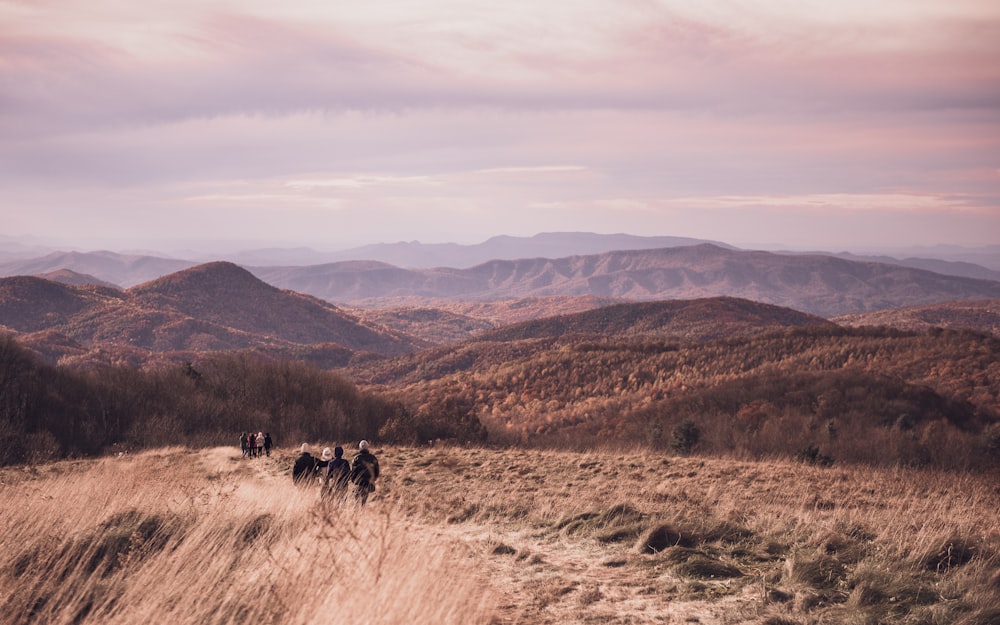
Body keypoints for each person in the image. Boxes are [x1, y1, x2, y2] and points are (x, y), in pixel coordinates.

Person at [350, 440, 380, 504]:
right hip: (368, 483)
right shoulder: (373, 458)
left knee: (356, 501)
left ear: (359, 447)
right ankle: (362, 511)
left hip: (358, 483)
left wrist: (354, 480)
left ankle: (356, 512)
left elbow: (353, 472)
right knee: (364, 501)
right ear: (367, 447)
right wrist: (373, 479)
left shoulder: (356, 458)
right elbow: (377, 471)